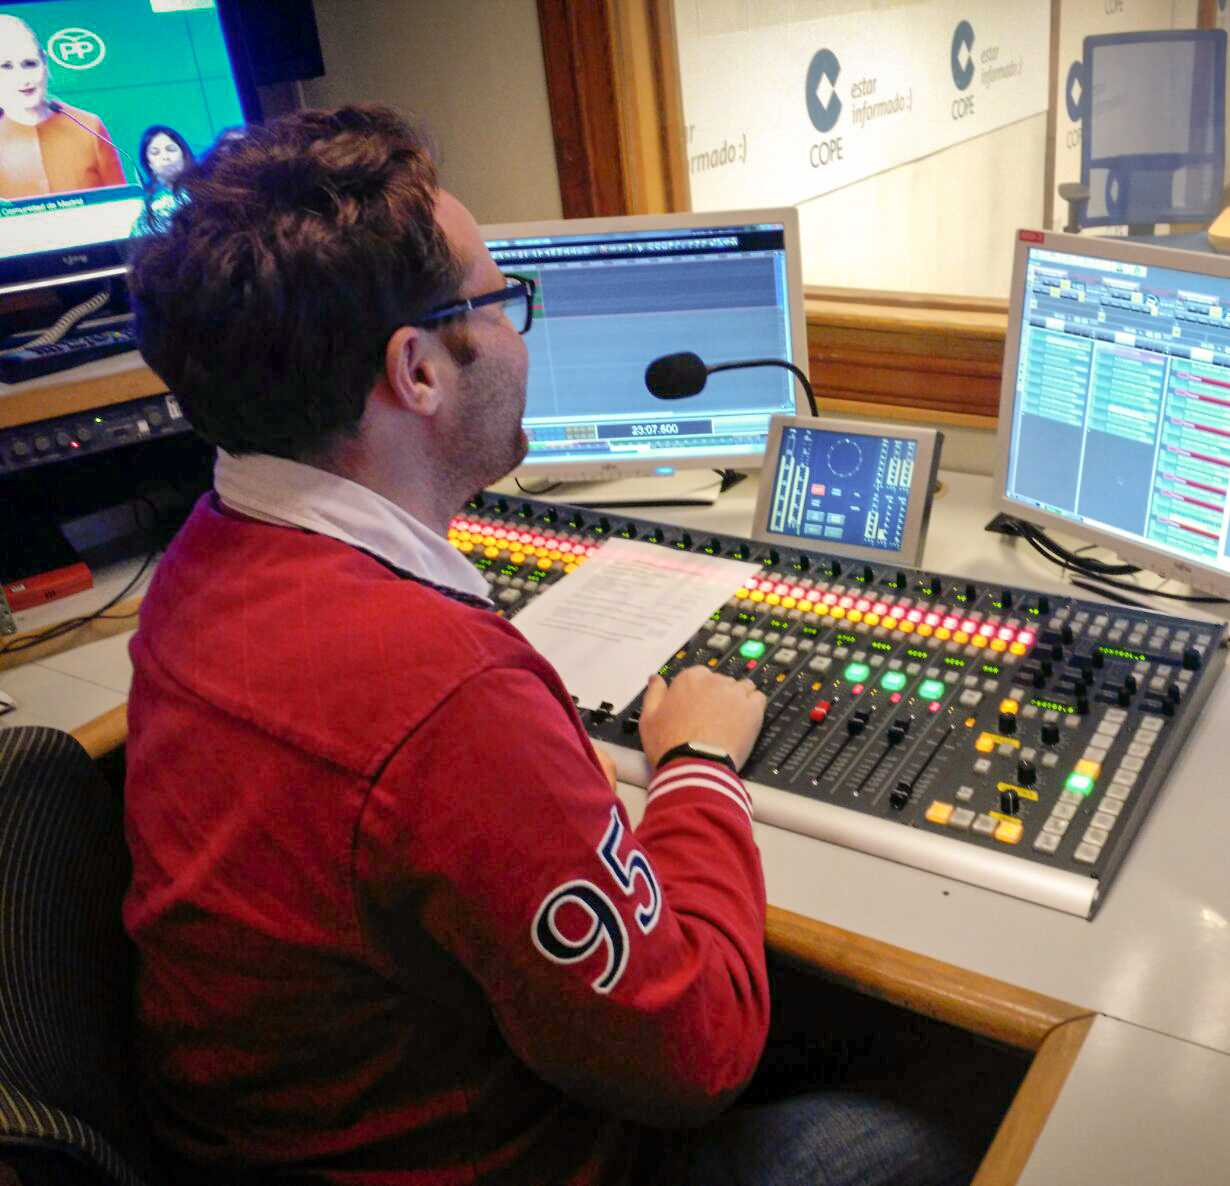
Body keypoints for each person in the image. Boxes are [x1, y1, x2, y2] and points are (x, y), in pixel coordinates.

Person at [124, 105, 969, 1186]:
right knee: (907, 1143)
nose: (522, 336)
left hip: (276, 1136)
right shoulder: (443, 695)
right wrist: (699, 772)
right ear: (416, 369)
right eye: (503, 300)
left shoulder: (199, 559)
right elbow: (696, 1052)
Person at [0, 14, 126, 199]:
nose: (23, 78)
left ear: (45, 63)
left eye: (30, 63)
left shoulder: (89, 125)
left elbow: (122, 203)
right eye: (6, 66)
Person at [135, 123, 193, 233]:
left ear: (184, 155)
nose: (165, 157)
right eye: (155, 153)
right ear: (149, 163)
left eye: (171, 149)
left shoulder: (202, 191)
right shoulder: (143, 203)